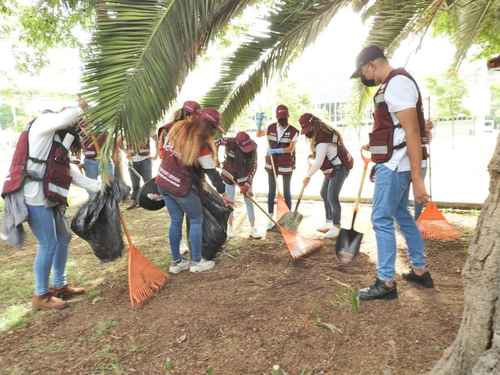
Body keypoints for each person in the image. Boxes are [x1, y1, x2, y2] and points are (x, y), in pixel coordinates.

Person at [350, 45, 434, 301]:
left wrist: (419, 181)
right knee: (401, 216)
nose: (366, 78)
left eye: (364, 72)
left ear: (370, 65)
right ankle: (420, 270)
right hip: (396, 161)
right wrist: (374, 147)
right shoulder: (392, 84)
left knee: (381, 220)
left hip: (395, 166)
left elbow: (412, 132)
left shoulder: (396, 83)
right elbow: (397, 130)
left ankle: (386, 282)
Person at [1, 100, 102, 310]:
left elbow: (72, 174)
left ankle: (59, 285)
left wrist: (102, 186)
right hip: (33, 196)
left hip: (49, 197)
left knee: (63, 238)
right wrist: (82, 106)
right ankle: (40, 295)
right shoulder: (43, 122)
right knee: (48, 243)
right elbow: (66, 118)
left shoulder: (56, 143)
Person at [155, 108, 232, 274]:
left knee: (175, 220)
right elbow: (211, 173)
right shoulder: (202, 143)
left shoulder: (178, 127)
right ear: (210, 128)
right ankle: (197, 261)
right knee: (197, 219)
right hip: (180, 186)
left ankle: (176, 262)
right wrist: (224, 193)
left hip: (162, 180)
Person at [299, 113, 353, 239]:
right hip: (332, 169)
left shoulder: (323, 138)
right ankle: (329, 222)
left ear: (313, 126)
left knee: (332, 196)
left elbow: (318, 163)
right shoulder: (322, 133)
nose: (306, 133)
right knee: (324, 193)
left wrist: (307, 176)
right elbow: (322, 156)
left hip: (340, 168)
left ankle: (336, 226)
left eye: (307, 130)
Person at [216, 131, 259, 239]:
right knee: (230, 202)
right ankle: (230, 228)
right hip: (228, 175)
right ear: (237, 143)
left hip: (244, 178)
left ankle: (253, 228)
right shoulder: (229, 141)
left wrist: (247, 185)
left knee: (249, 201)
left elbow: (254, 166)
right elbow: (215, 143)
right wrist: (215, 158)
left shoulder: (253, 148)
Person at [265, 104, 299, 229]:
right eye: (280, 118)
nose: (282, 120)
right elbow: (259, 134)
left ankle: (288, 220)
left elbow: (290, 149)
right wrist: (258, 124)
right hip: (272, 163)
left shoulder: (294, 131)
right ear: (276, 117)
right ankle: (270, 218)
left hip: (286, 164)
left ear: (288, 116)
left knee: (286, 192)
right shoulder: (270, 127)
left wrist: (276, 151)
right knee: (271, 191)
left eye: (284, 117)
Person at [126, 136, 156, 210]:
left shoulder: (145, 129)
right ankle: (135, 201)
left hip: (145, 159)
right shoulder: (127, 130)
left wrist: (156, 155)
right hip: (132, 161)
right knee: (135, 184)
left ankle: (149, 202)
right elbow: (119, 141)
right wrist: (126, 152)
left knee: (148, 182)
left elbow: (156, 138)